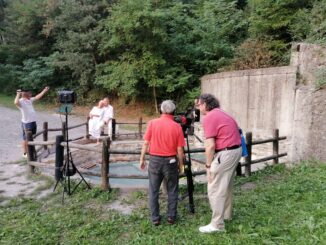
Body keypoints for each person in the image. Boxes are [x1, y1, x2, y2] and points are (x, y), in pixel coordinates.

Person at [196, 93, 242, 233]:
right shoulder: (222, 113)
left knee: (214, 187)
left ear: (204, 104)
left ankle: (217, 225)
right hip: (235, 150)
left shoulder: (209, 117)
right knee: (226, 185)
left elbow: (210, 146)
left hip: (226, 153)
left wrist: (208, 166)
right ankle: (226, 215)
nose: (197, 108)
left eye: (198, 105)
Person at [139, 100, 185, 226]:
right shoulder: (177, 126)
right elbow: (180, 149)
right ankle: (171, 217)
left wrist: (142, 158)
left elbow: (146, 143)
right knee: (172, 189)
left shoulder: (152, 123)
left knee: (153, 190)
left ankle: (155, 218)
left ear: (161, 110)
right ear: (173, 111)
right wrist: (181, 164)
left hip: (154, 160)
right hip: (171, 161)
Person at [14, 87, 49, 158]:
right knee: (25, 139)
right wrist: (18, 94)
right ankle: (24, 154)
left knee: (31, 137)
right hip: (27, 123)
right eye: (30, 93)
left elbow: (37, 97)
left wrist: (44, 90)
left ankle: (31, 151)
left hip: (33, 122)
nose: (31, 94)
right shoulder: (21, 101)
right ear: (25, 94)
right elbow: (15, 102)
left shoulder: (29, 100)